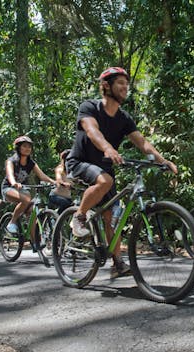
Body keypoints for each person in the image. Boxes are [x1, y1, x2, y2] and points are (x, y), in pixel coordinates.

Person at [66, 66, 177, 279]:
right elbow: (92, 131)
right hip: (80, 161)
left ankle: (117, 264)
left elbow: (142, 142)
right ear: (106, 86)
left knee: (111, 217)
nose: (125, 88)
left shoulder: (124, 118)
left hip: (104, 168)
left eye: (127, 84)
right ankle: (78, 217)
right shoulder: (89, 107)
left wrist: (164, 161)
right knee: (105, 181)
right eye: (120, 83)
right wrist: (108, 148)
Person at [1, 136, 57, 235]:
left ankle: (35, 243)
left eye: (29, 147)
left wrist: (54, 182)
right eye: (25, 146)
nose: (27, 149)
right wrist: (14, 183)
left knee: (32, 212)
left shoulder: (31, 163)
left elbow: (42, 176)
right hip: (8, 188)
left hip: (22, 190)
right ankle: (12, 222)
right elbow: (10, 174)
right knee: (26, 200)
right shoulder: (11, 161)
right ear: (19, 148)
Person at [49, 149, 73, 214]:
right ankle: (57, 221)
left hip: (68, 198)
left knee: (73, 208)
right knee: (65, 204)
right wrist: (64, 183)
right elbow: (59, 180)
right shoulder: (59, 169)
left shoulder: (73, 171)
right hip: (55, 196)